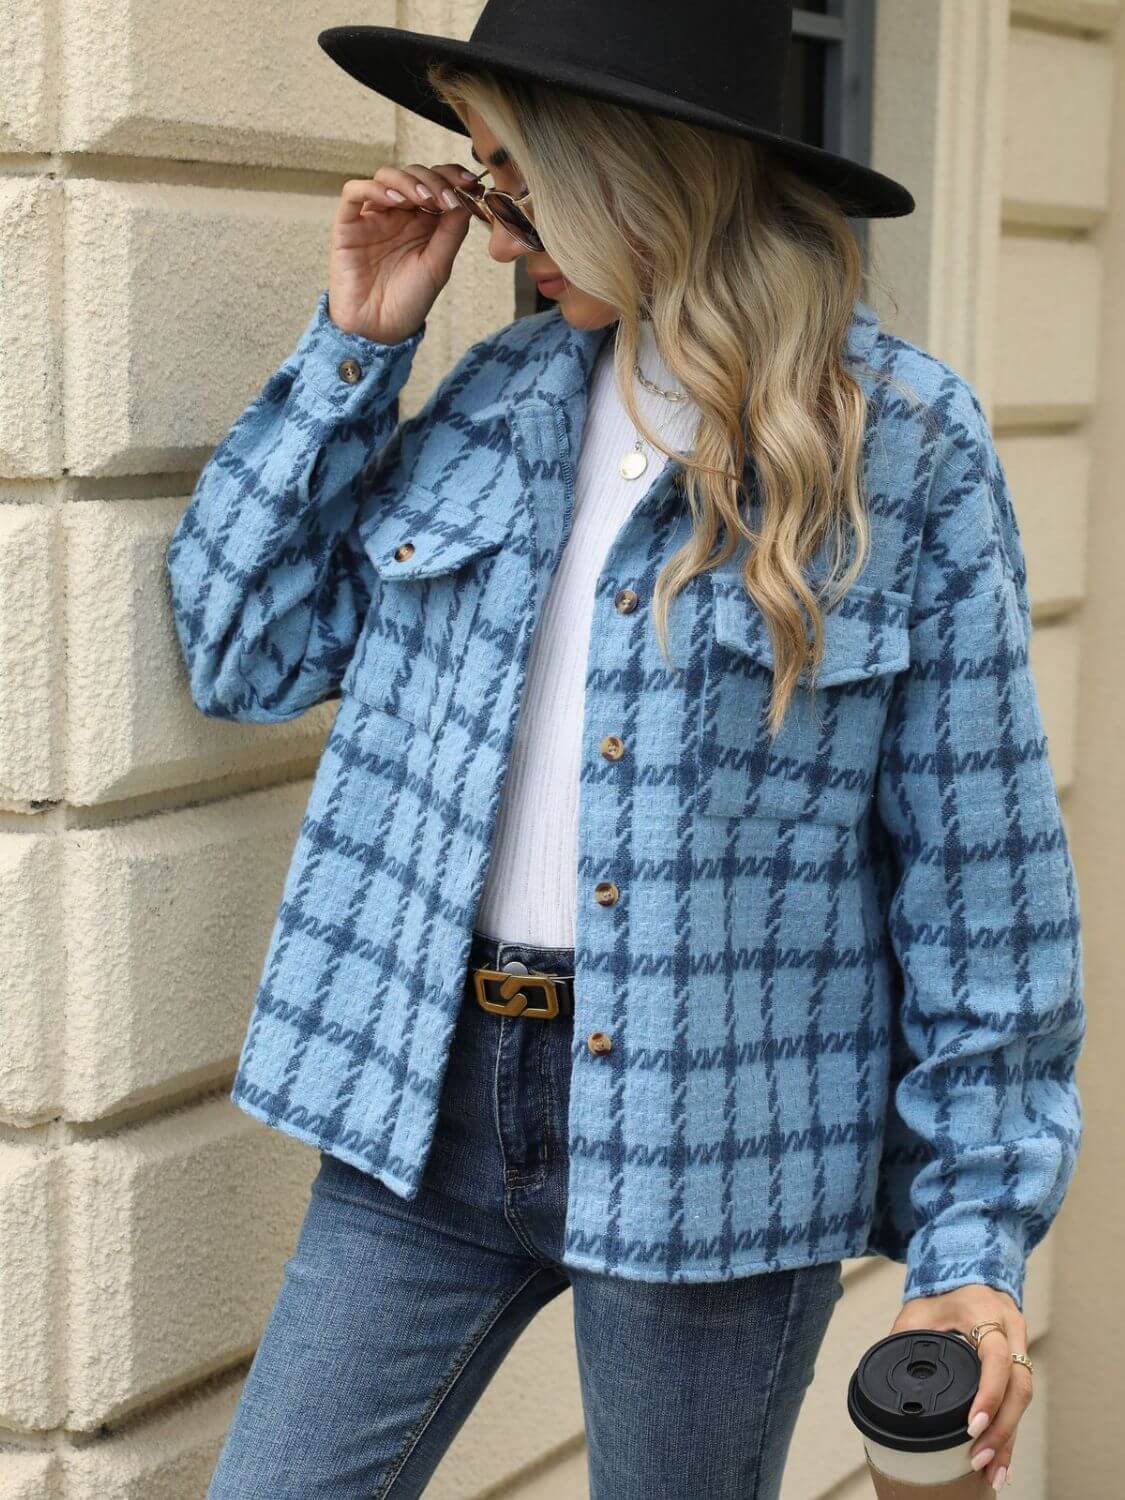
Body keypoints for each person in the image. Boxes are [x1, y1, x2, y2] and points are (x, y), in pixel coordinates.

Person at [166, 3, 1085, 1495]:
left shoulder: (900, 444)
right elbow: (243, 647)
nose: (490, 218)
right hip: (430, 1104)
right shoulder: (488, 404)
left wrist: (967, 1246)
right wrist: (354, 344)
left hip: (712, 1132)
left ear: (632, 175)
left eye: (512, 176)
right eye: (479, 173)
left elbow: (980, 881)